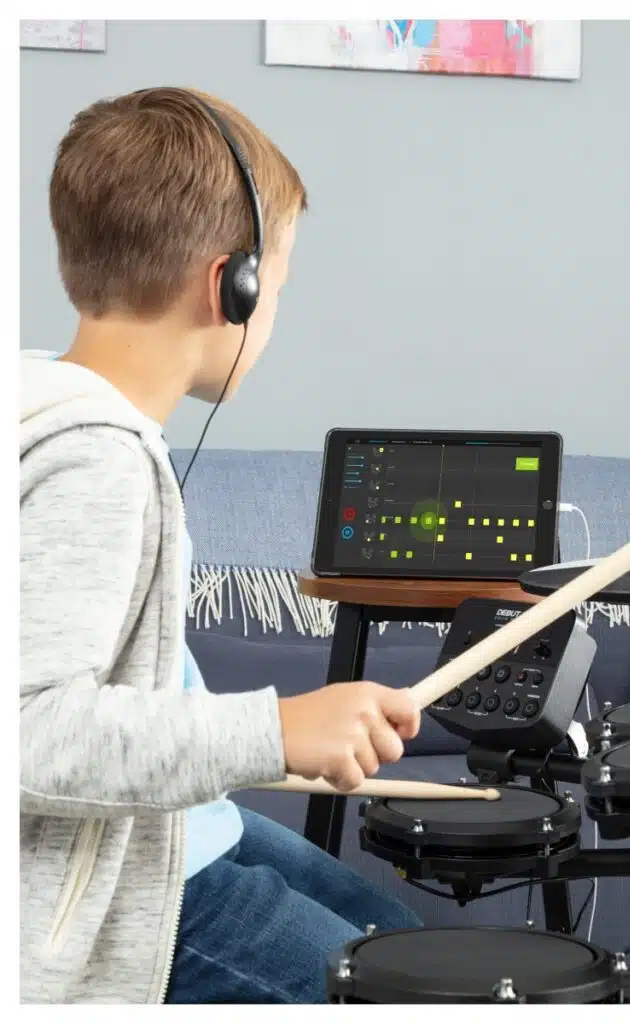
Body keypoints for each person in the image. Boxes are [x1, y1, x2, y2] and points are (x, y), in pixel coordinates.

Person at [19, 86, 422, 1005]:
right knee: (409, 987)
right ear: (228, 285)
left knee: (401, 943)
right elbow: (28, 731)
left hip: (174, 829)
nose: (269, 312)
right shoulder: (97, 463)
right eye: (274, 289)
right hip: (127, 887)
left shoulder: (47, 401)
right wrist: (275, 727)